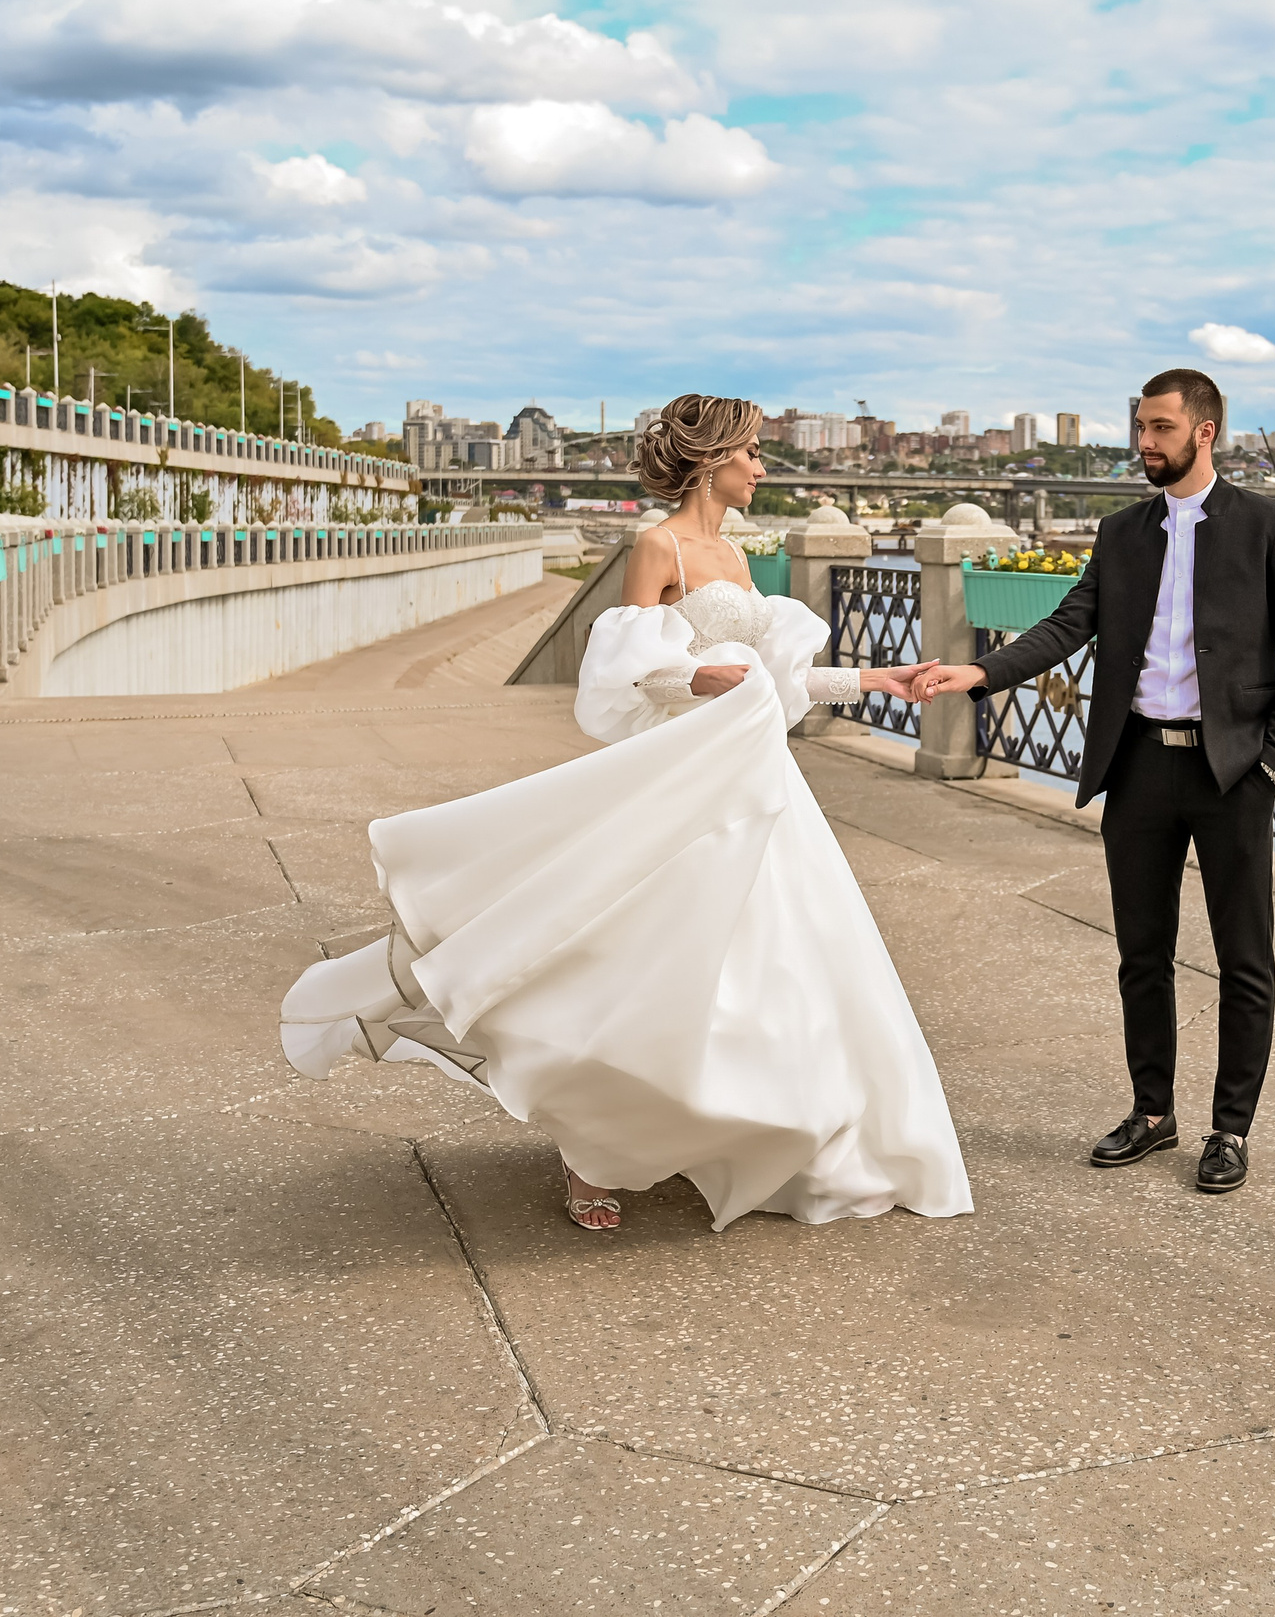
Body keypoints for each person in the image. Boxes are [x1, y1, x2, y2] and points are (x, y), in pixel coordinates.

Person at [280, 394, 971, 1234]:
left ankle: (760, 1131)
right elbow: (624, 674)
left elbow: (774, 681)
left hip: (760, 784)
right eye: (752, 452)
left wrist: (875, 681)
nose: (762, 467)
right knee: (635, 961)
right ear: (712, 457)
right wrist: (694, 679)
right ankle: (590, 1154)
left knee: (770, 971)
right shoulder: (658, 544)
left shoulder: (738, 557)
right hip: (684, 785)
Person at [915, 370, 1275, 1194]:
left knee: (1246, 957)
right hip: (1137, 765)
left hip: (1230, 772)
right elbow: (1071, 622)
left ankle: (1230, 1128)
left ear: (1204, 431)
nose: (1145, 442)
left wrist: (1271, 762)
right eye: (1140, 426)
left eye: (1161, 428)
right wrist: (978, 672)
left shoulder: (1268, 525)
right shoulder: (1121, 531)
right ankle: (1151, 1110)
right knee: (1143, 953)